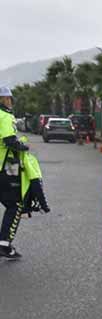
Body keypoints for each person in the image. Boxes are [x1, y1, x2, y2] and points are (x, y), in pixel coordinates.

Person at [0, 86, 31, 259]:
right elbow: (9, 140)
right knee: (15, 205)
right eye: (9, 99)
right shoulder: (5, 116)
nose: (10, 102)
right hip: (2, 169)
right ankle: (4, 244)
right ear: (4, 99)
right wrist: (23, 146)